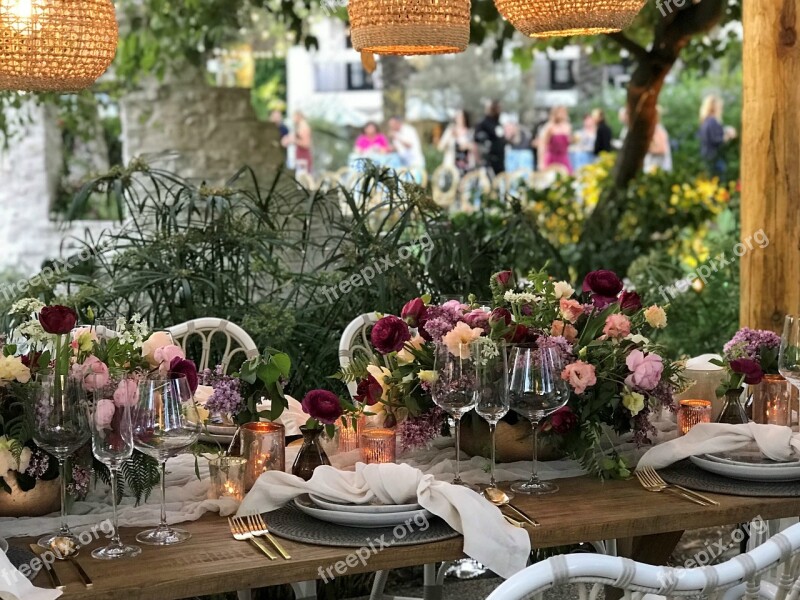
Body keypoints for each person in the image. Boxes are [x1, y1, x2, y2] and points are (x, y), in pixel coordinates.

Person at [699, 95, 736, 175]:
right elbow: (716, 140)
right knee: (718, 180)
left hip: (708, 155)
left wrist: (726, 130)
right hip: (714, 157)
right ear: (714, 107)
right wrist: (728, 136)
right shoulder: (713, 121)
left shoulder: (706, 120)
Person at [438, 109, 476, 174]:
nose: (460, 119)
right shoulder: (450, 130)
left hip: (466, 166)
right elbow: (440, 147)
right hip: (451, 167)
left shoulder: (470, 132)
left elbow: (475, 147)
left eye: (462, 117)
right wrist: (450, 136)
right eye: (458, 117)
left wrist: (468, 146)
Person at [538, 106, 573, 174]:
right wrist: (541, 162)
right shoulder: (549, 127)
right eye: (561, 112)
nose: (563, 115)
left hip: (564, 158)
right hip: (552, 159)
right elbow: (542, 145)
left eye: (564, 112)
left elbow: (568, 143)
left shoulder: (567, 127)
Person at [474, 100, 506, 176]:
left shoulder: (498, 123)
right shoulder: (483, 123)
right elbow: (477, 138)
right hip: (489, 159)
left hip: (500, 159)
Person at [644, 107, 673, 172]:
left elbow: (661, 149)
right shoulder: (653, 129)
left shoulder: (658, 130)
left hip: (659, 171)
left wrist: (644, 148)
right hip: (652, 169)